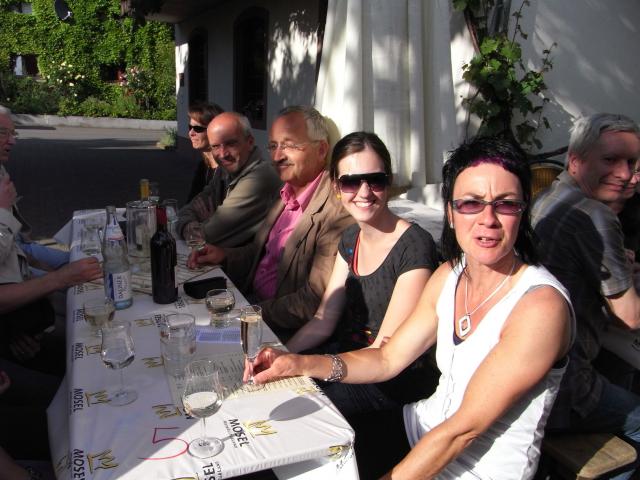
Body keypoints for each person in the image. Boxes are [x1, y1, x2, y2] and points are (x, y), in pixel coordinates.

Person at [249, 136, 573, 479]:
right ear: (450, 211)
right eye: (470, 204)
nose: (488, 219)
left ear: (523, 212)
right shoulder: (451, 274)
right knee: (282, 451)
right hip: (420, 428)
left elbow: (464, 431)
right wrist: (299, 363)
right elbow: (387, 357)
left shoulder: (540, 305)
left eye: (505, 204)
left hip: (476, 468)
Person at [284, 131, 439, 415]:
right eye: (351, 182)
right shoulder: (350, 238)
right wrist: (285, 356)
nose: (364, 192)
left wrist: (307, 365)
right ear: (336, 187)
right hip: (346, 360)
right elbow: (322, 320)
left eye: (375, 180)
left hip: (392, 379)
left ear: (388, 182)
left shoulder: (415, 247)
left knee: (301, 409)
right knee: (277, 390)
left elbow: (384, 352)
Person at [532, 113, 640, 478]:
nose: (625, 174)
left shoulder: (548, 197)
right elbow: (630, 318)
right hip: (566, 387)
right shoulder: (594, 215)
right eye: (610, 160)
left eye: (632, 162)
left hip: (533, 375)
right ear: (575, 160)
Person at [189, 106, 353, 340]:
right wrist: (223, 255)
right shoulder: (286, 193)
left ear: (321, 150)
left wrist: (247, 314)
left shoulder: (337, 212)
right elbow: (260, 255)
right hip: (251, 303)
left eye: (289, 145)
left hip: (281, 331)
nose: (277, 156)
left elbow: (312, 301)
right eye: (274, 146)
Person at [0, 108, 101, 373]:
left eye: (13, 134)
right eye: (3, 133)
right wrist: (60, 278)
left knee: (89, 307)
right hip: (15, 330)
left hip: (22, 315)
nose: (11, 141)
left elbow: (15, 248)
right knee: (88, 350)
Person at [176, 111, 282, 247]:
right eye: (215, 146)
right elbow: (186, 210)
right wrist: (194, 224)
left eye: (231, 144)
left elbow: (206, 236)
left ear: (250, 142)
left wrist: (203, 223)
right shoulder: (224, 170)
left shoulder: (259, 178)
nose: (222, 154)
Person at [183, 102, 225, 203]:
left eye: (198, 128)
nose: (191, 133)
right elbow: (192, 202)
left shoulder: (227, 171)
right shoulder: (203, 166)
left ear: (215, 130)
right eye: (190, 127)